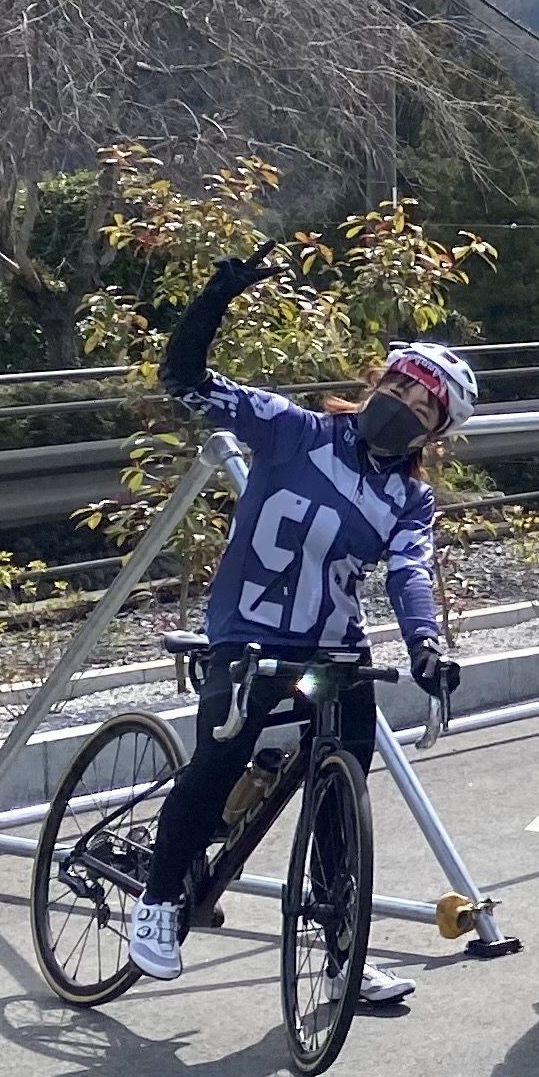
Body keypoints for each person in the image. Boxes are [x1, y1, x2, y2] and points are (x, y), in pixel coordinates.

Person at [124, 252, 472, 997]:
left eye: (425, 405)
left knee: (339, 795)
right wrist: (215, 294)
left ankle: (343, 947)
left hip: (331, 652)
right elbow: (183, 382)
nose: (405, 402)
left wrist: (427, 645)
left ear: (433, 432)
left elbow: (409, 573)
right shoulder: (293, 430)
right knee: (218, 760)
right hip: (246, 635)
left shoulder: (409, 501)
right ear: (375, 382)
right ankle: (156, 901)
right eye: (400, 383)